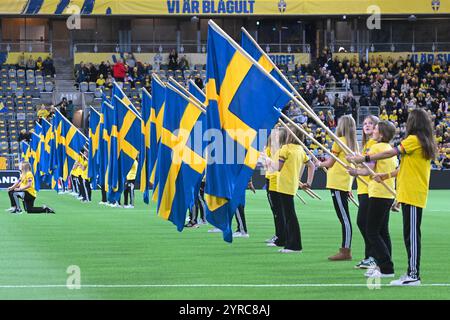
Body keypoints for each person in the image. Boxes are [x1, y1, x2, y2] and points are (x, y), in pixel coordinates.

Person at [348, 109, 437, 286]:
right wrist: (385, 176)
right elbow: (402, 168)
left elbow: (390, 153)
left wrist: (364, 157)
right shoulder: (421, 141)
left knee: (411, 236)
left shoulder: (414, 140)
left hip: (412, 193)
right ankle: (409, 272)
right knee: (408, 234)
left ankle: (413, 275)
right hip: (409, 192)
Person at [348, 121, 397, 278]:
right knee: (383, 231)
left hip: (378, 193)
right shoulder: (389, 148)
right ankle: (384, 264)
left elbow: (368, 169)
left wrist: (355, 169)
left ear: (381, 133)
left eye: (375, 128)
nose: (373, 130)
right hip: (387, 194)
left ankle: (386, 267)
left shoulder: (376, 147)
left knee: (372, 231)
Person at [262, 124, 315, 253]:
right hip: (291, 185)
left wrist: (266, 159)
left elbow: (277, 167)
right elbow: (311, 165)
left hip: (284, 185)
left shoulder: (286, 149)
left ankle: (294, 245)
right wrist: (308, 182)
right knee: (289, 215)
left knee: (289, 216)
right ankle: (291, 243)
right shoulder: (300, 149)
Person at [316, 115, 357, 261]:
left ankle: (345, 250)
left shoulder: (339, 141)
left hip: (337, 182)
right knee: (344, 217)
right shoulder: (353, 143)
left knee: (344, 218)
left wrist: (319, 163)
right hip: (344, 182)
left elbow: (330, 163)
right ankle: (345, 249)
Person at [354, 115, 379, 269]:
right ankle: (369, 255)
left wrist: (355, 169)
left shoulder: (373, 144)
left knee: (365, 223)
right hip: (363, 189)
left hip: (370, 189)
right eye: (365, 124)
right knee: (365, 224)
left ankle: (373, 256)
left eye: (371, 123)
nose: (367, 126)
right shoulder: (366, 144)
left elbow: (369, 168)